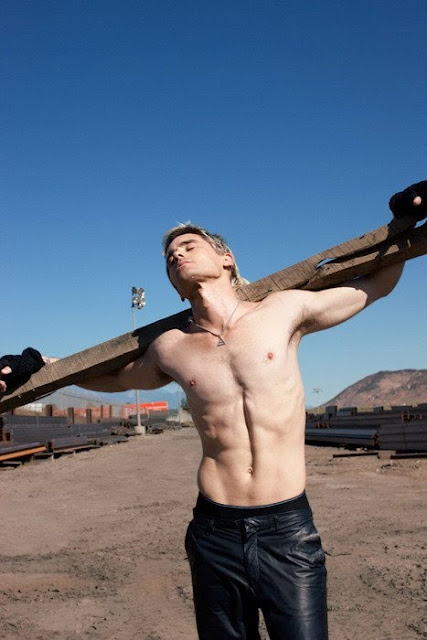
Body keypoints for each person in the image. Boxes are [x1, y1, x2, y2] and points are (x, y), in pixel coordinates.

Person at [1, 181, 425, 639]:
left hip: (287, 529)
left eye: (189, 245)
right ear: (173, 288)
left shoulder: (282, 310)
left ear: (227, 259)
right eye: (170, 257)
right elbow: (114, 378)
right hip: (214, 530)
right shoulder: (170, 347)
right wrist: (42, 365)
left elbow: (375, 285)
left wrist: (402, 222)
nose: (177, 255)